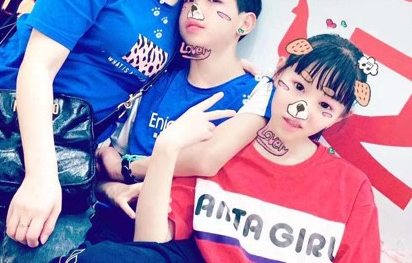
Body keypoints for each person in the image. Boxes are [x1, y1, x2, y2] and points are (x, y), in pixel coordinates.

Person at [0, 0, 247, 261]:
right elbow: (38, 67)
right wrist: (41, 177)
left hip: (73, 155)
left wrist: (242, 68)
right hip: (13, 122)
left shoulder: (187, 14)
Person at [57, 34, 380, 262]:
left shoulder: (351, 188)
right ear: (278, 72)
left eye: (325, 105)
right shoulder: (224, 150)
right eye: (298, 86)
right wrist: (168, 149)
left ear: (342, 116)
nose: (302, 109)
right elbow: (151, 245)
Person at [86, 0, 266, 244]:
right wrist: (113, 190)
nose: (196, 10)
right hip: (111, 225)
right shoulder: (155, 79)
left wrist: (128, 168)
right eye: (190, 0)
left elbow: (206, 161)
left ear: (245, 23)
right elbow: (104, 169)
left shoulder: (257, 95)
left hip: (182, 241)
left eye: (214, 1)